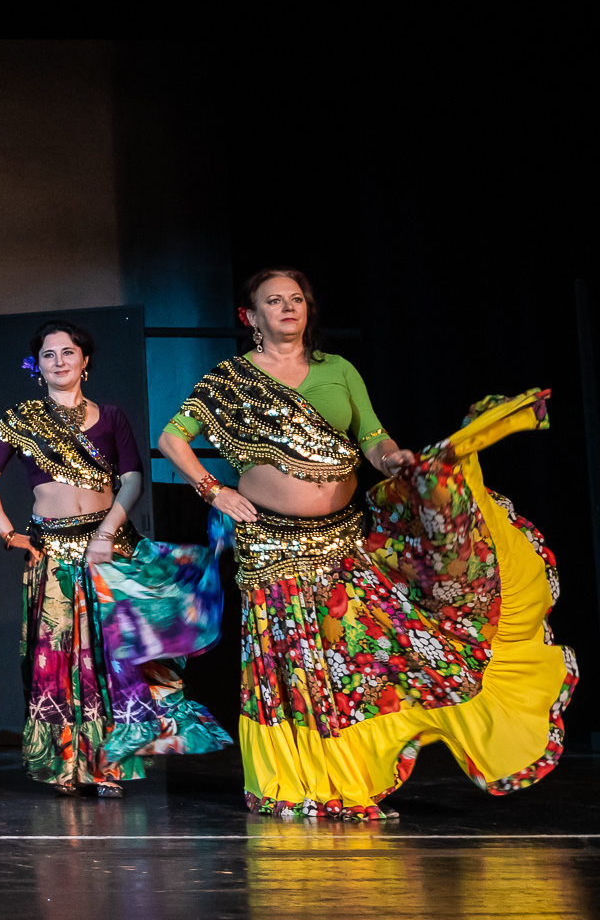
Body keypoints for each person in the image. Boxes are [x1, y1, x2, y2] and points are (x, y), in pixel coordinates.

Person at [158, 268, 576, 819]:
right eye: (274, 301)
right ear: (250, 316)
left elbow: (373, 437)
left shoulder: (339, 371)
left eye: (297, 299)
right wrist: (215, 491)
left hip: (341, 537)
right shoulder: (230, 379)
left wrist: (394, 460)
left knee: (349, 658)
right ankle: (294, 779)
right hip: (272, 543)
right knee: (291, 663)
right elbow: (172, 438)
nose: (288, 307)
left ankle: (348, 774)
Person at [0, 321, 229, 798]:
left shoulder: (111, 417)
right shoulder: (22, 418)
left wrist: (106, 533)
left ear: (85, 361)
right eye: (49, 355)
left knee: (113, 659)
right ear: (37, 365)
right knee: (59, 659)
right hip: (52, 552)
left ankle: (111, 764)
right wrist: (8, 534)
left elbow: (132, 480)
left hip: (109, 547)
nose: (59, 361)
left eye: (68, 352)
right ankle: (64, 763)